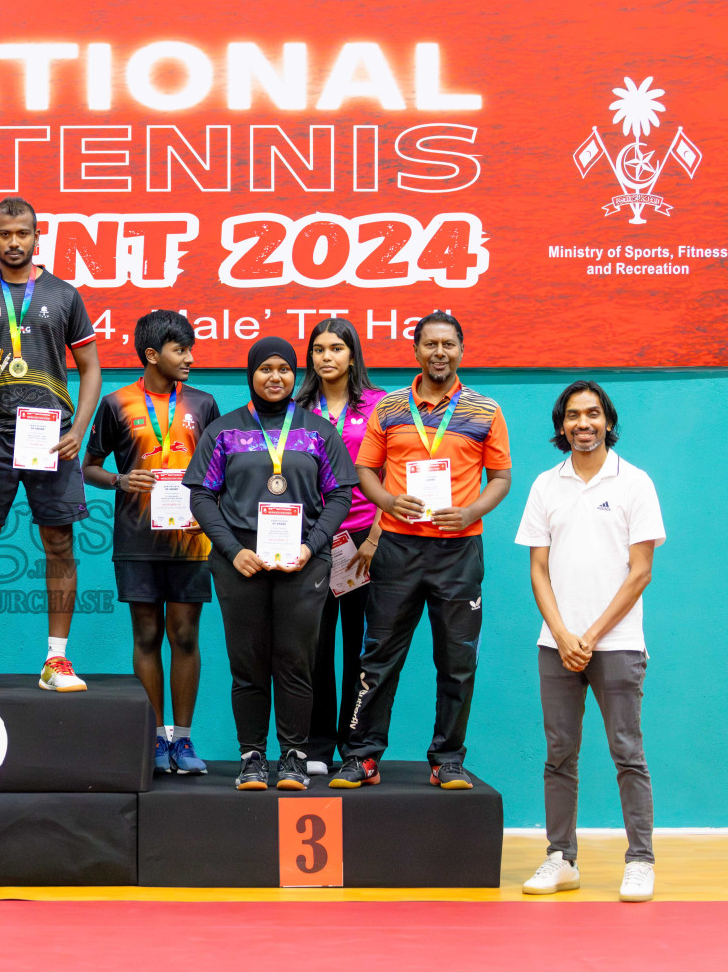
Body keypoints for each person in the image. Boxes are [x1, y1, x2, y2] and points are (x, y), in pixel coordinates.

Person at [331, 311, 512, 791]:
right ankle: (362, 756)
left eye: (448, 344)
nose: (439, 353)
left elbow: (501, 478)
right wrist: (388, 501)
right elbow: (365, 471)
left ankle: (447, 759)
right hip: (396, 547)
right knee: (378, 656)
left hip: (458, 552)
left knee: (457, 662)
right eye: (430, 344)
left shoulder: (485, 411)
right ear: (415, 350)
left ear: (460, 350)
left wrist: (472, 511)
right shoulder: (389, 408)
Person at [0, 196, 103, 693]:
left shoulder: (64, 295)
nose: (14, 242)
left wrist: (79, 427)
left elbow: (91, 367)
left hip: (50, 436)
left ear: (38, 236)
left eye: (23, 234)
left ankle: (57, 660)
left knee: (59, 543)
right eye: (4, 234)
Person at [184, 339, 356, 790]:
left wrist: (312, 546)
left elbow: (341, 494)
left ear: (295, 375)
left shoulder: (318, 430)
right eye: (265, 369)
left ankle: (295, 757)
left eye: (284, 369)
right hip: (240, 562)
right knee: (249, 663)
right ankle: (253, 757)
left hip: (303, 560)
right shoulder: (224, 430)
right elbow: (201, 495)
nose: (275, 377)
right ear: (251, 374)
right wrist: (231, 550)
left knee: (296, 662)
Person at [516, 381, 663, 902]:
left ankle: (640, 860)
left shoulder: (635, 482)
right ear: (562, 425)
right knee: (560, 754)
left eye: (593, 414)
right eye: (575, 415)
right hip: (555, 643)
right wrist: (561, 634)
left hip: (618, 642)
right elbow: (538, 568)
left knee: (628, 752)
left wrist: (591, 635)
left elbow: (640, 572)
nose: (584, 423)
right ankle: (561, 858)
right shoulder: (544, 485)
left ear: (607, 421)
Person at [84, 310, 220, 773]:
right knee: (147, 634)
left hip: (190, 540)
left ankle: (183, 740)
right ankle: (154, 740)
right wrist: (122, 480)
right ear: (151, 355)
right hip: (137, 539)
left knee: (185, 634)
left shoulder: (203, 404)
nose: (189, 358)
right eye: (180, 350)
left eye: (189, 348)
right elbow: (90, 466)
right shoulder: (116, 402)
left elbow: (217, 472)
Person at [294, 318, 386, 776]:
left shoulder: (380, 406)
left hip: (365, 544)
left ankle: (355, 744)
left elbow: (394, 474)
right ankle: (316, 745)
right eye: (318, 349)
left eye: (336, 348)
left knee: (360, 649)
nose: (326, 357)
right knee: (314, 648)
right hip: (312, 546)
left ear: (353, 355)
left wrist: (374, 537)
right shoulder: (295, 408)